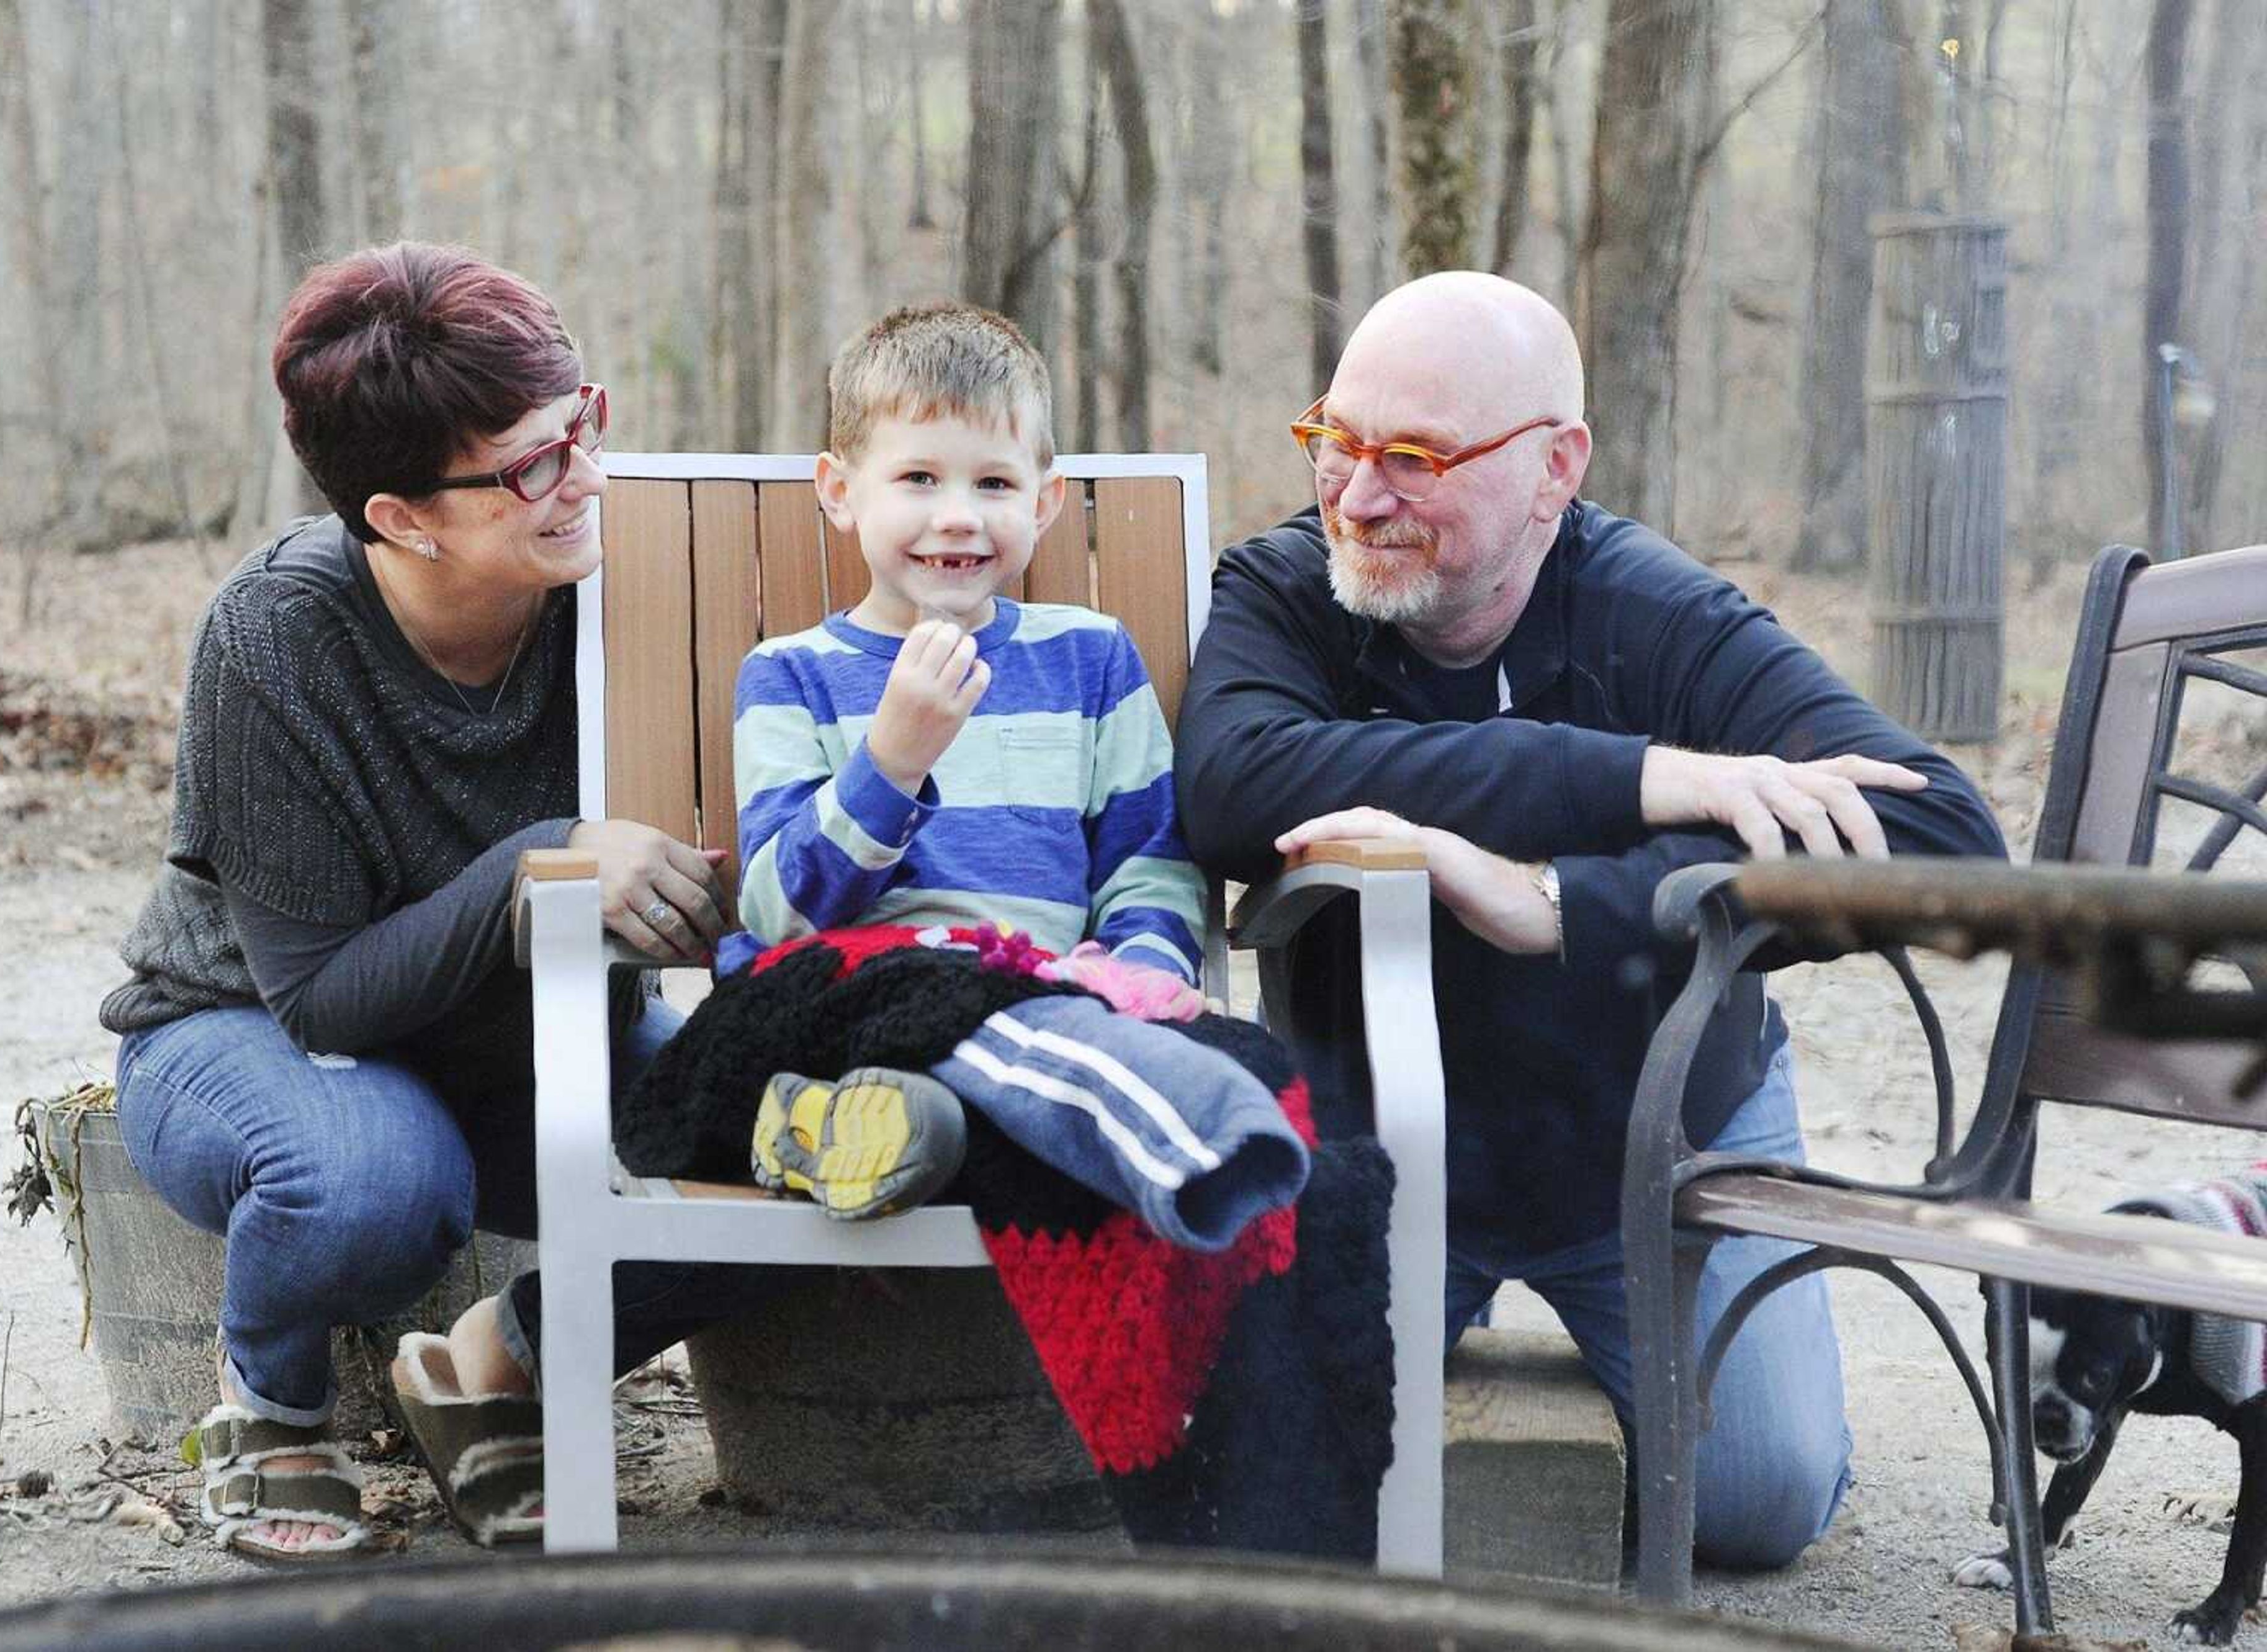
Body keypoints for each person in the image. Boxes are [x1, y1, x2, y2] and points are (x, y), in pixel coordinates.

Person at [1175, 271, 2008, 1568]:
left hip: (1656, 1136)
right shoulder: (1288, 589)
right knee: (1270, 1500)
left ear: (1555, 468)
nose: (1358, 491)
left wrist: (1563, 898)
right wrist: (1636, 778)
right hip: (1380, 1148)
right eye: (1335, 438)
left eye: (1414, 455)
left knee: (1756, 1501)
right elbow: (1234, 781)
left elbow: (1945, 832)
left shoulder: (1659, 615)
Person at [100, 243, 759, 1559]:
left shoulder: (632, 579)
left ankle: (490, 1367)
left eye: (583, 426)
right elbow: (324, 991)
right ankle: (272, 1414)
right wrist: (542, 862)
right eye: (529, 465)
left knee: (778, 1147)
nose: (584, 478)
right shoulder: (278, 636)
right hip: (255, 1039)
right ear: (400, 515)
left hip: (539, 1030)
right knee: (381, 1177)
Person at [724, 302, 1306, 1251]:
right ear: (840, 490)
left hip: (1054, 1006)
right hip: (857, 998)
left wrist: (1136, 985)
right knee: (1053, 1057)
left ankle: (866, 1131)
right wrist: (892, 760)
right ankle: (1197, 1159)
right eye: (918, 477)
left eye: (994, 481)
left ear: (1042, 502)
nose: (958, 516)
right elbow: (774, 910)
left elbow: (1147, 869)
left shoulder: (1089, 659)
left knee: (1194, 1057)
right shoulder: (791, 674)